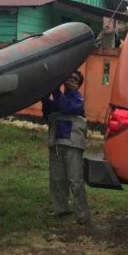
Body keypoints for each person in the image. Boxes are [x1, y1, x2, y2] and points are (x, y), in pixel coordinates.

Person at [41, 70, 90, 225]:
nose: (71, 80)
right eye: (68, 77)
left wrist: (55, 90)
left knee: (75, 179)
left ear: (79, 84)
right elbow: (48, 111)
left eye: (75, 79)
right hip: (56, 143)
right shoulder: (60, 97)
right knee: (57, 179)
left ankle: (82, 214)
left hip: (73, 144)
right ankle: (60, 209)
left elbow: (65, 108)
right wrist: (45, 95)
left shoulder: (77, 98)